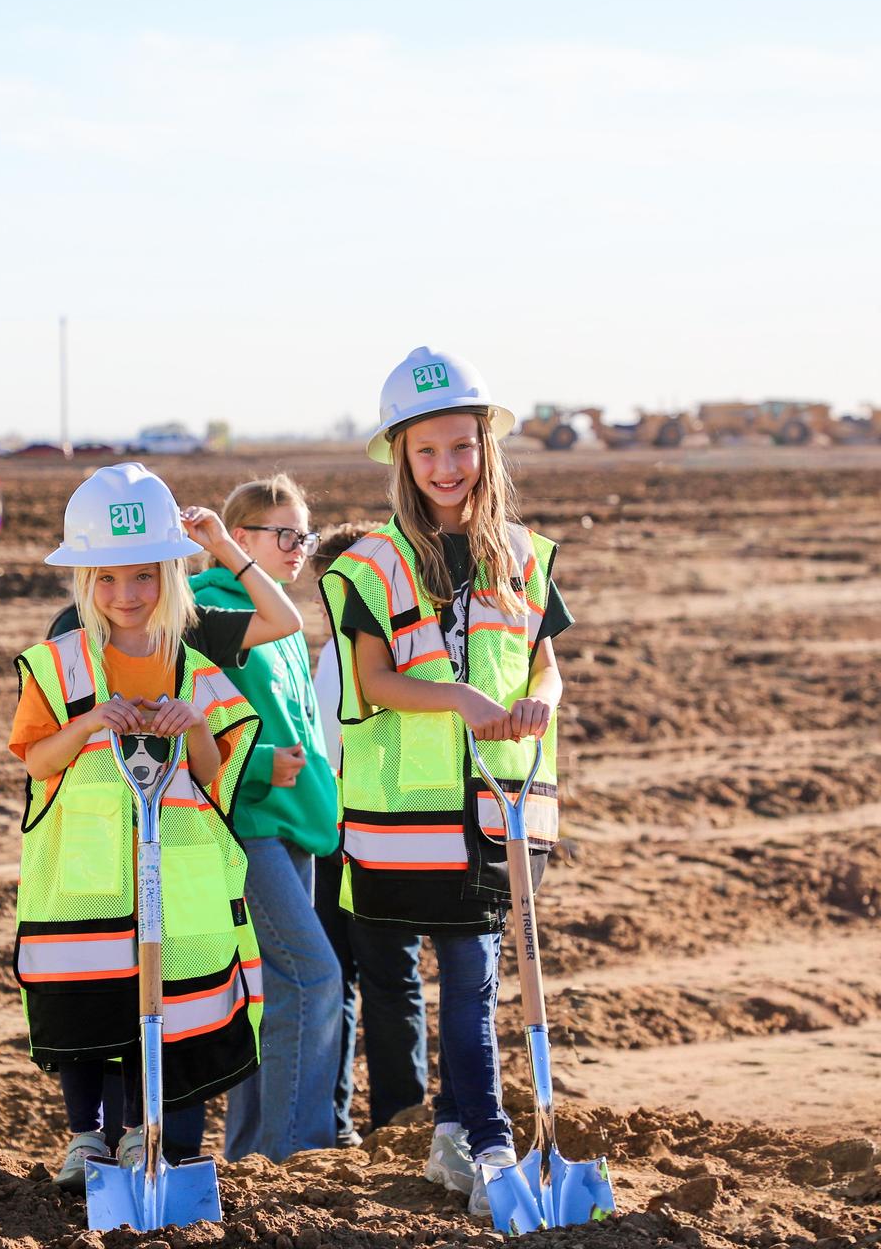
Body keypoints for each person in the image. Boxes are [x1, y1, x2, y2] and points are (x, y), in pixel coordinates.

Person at [319, 348, 572, 1218]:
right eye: (426, 452)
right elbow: (375, 682)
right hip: (411, 818)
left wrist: (537, 701)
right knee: (466, 980)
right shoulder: (371, 565)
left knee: (477, 980)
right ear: (401, 459)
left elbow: (547, 667)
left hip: (505, 808)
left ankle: (460, 1136)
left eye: (460, 447)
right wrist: (458, 699)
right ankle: (493, 1143)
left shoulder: (528, 558)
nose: (446, 468)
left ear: (486, 447)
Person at [9, 462, 264, 1191]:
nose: (127, 596)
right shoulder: (58, 666)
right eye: (109, 581)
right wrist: (90, 721)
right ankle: (86, 1136)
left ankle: (133, 1137)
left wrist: (193, 727)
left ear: (171, 576)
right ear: (85, 585)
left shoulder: (195, 668)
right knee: (88, 1009)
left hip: (172, 882)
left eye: (144, 577)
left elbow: (215, 773)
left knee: (147, 1013)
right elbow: (37, 761)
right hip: (83, 882)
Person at [193, 475, 344, 1162]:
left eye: (303, 536)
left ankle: (253, 1153)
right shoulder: (212, 609)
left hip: (294, 823)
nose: (297, 550)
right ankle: (293, 1149)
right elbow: (192, 722)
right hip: (246, 821)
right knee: (312, 978)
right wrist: (256, 771)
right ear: (239, 539)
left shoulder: (278, 615)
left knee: (267, 991)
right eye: (283, 536)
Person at [311, 521, 428, 1146]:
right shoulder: (336, 653)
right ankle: (365, 1123)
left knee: (374, 979)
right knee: (354, 979)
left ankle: (388, 1124)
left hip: (373, 834)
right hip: (349, 836)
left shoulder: (361, 656)